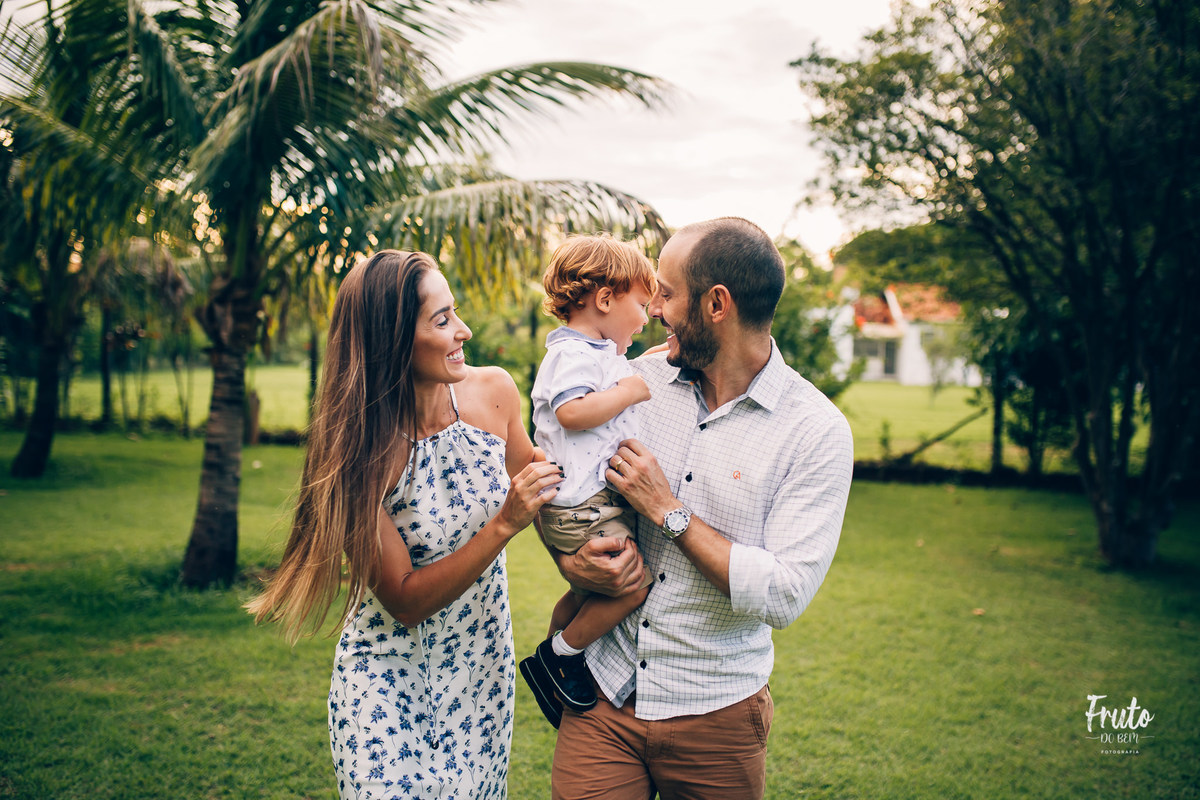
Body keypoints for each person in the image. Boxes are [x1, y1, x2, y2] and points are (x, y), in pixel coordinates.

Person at [549, 218, 854, 800]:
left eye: (666, 292)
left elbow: (785, 594)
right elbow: (564, 480)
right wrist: (571, 563)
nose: (655, 308)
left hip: (716, 718)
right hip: (602, 699)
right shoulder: (633, 381)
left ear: (717, 304)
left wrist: (668, 510)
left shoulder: (815, 432)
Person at [245, 250, 563, 800]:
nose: (462, 331)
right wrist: (504, 523)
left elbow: (551, 492)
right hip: (386, 681)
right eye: (441, 321)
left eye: (454, 312)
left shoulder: (494, 395)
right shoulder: (358, 452)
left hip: (480, 675)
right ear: (392, 339)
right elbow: (405, 600)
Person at [518, 235, 658, 729]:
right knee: (631, 586)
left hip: (585, 503)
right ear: (604, 300)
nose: (648, 317)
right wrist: (626, 393)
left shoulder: (597, 353)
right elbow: (573, 412)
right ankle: (561, 655)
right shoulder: (572, 356)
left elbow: (628, 369)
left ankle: (546, 664)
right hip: (583, 506)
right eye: (641, 305)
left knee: (588, 594)